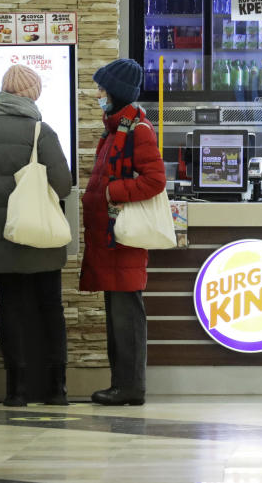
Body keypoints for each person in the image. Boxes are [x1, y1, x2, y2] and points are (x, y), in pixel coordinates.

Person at [0, 65, 72, 407]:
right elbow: (63, 184)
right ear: (31, 94)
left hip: (1, 238)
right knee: (49, 307)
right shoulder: (41, 132)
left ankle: (17, 391)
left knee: (10, 308)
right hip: (39, 236)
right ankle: (56, 389)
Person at [80, 58, 166, 406]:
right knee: (117, 316)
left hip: (125, 238)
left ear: (116, 92)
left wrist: (113, 193)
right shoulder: (116, 128)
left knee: (127, 316)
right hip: (110, 237)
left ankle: (131, 387)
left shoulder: (137, 130)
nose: (98, 94)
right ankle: (122, 385)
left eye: (102, 88)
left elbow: (155, 180)